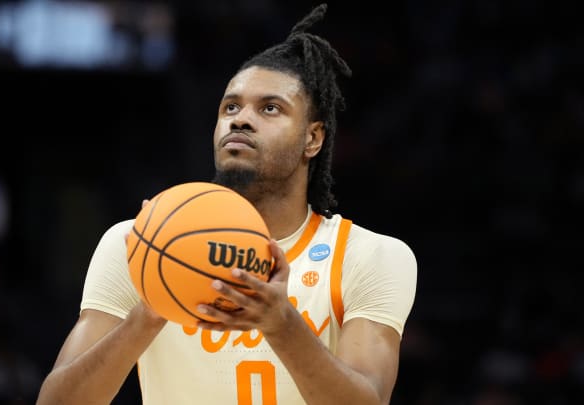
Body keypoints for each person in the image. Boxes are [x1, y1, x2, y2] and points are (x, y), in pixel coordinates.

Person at [36, 4, 416, 404]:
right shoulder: (134, 246)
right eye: (230, 107)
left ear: (313, 138)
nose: (240, 119)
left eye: (270, 108)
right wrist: (147, 315)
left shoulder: (369, 256)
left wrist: (282, 326)